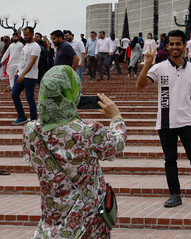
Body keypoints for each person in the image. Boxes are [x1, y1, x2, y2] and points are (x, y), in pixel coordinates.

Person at [22, 65, 126, 238]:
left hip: (52, 217)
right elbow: (116, 147)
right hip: (87, 219)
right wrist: (116, 118)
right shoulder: (88, 131)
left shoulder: (30, 131)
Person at [136, 29, 191, 210]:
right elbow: (140, 86)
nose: (175, 47)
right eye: (171, 44)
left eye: (178, 44)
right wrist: (147, 64)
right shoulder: (158, 68)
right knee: (170, 160)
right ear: (167, 46)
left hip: (188, 121)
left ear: (184, 46)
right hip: (166, 122)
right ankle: (175, 195)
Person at [12, 27, 42, 125]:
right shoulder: (25, 45)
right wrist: (18, 71)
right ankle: (22, 116)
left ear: (32, 34)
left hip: (30, 76)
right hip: (21, 74)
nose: (25, 37)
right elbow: (23, 59)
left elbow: (32, 62)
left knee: (30, 98)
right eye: (24, 35)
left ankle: (33, 119)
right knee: (14, 94)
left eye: (27, 35)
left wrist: (23, 75)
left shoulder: (36, 47)